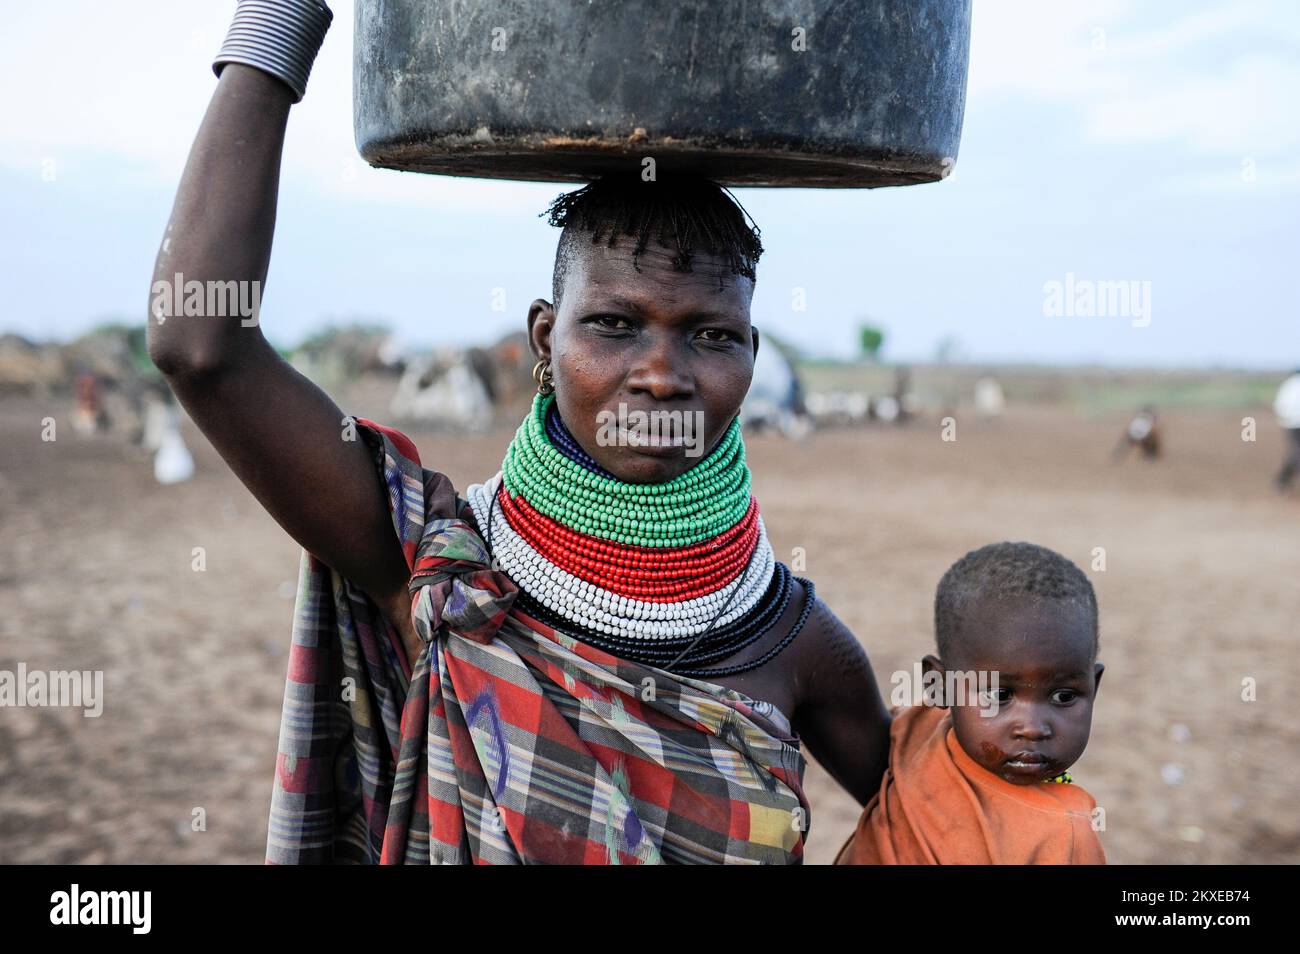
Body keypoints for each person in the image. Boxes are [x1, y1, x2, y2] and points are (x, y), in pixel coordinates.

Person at [147, 4, 890, 864]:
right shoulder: (440, 564)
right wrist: (281, 19)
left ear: (755, 356)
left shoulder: (794, 640)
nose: (663, 374)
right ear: (545, 338)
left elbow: (944, 818)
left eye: (711, 336)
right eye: (614, 325)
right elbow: (201, 348)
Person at [835, 542, 1106, 864]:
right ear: (939, 686)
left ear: (1094, 685)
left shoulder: (914, 731)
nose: (1033, 728)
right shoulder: (1066, 836)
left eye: (1063, 696)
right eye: (998, 696)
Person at [1273, 369, 1300, 492]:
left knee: (1296, 453)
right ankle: (1281, 480)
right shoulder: (1293, 384)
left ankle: (1281, 480)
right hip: (1294, 422)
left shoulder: (1289, 384)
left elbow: (1279, 404)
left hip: (1289, 422)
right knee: (1297, 453)